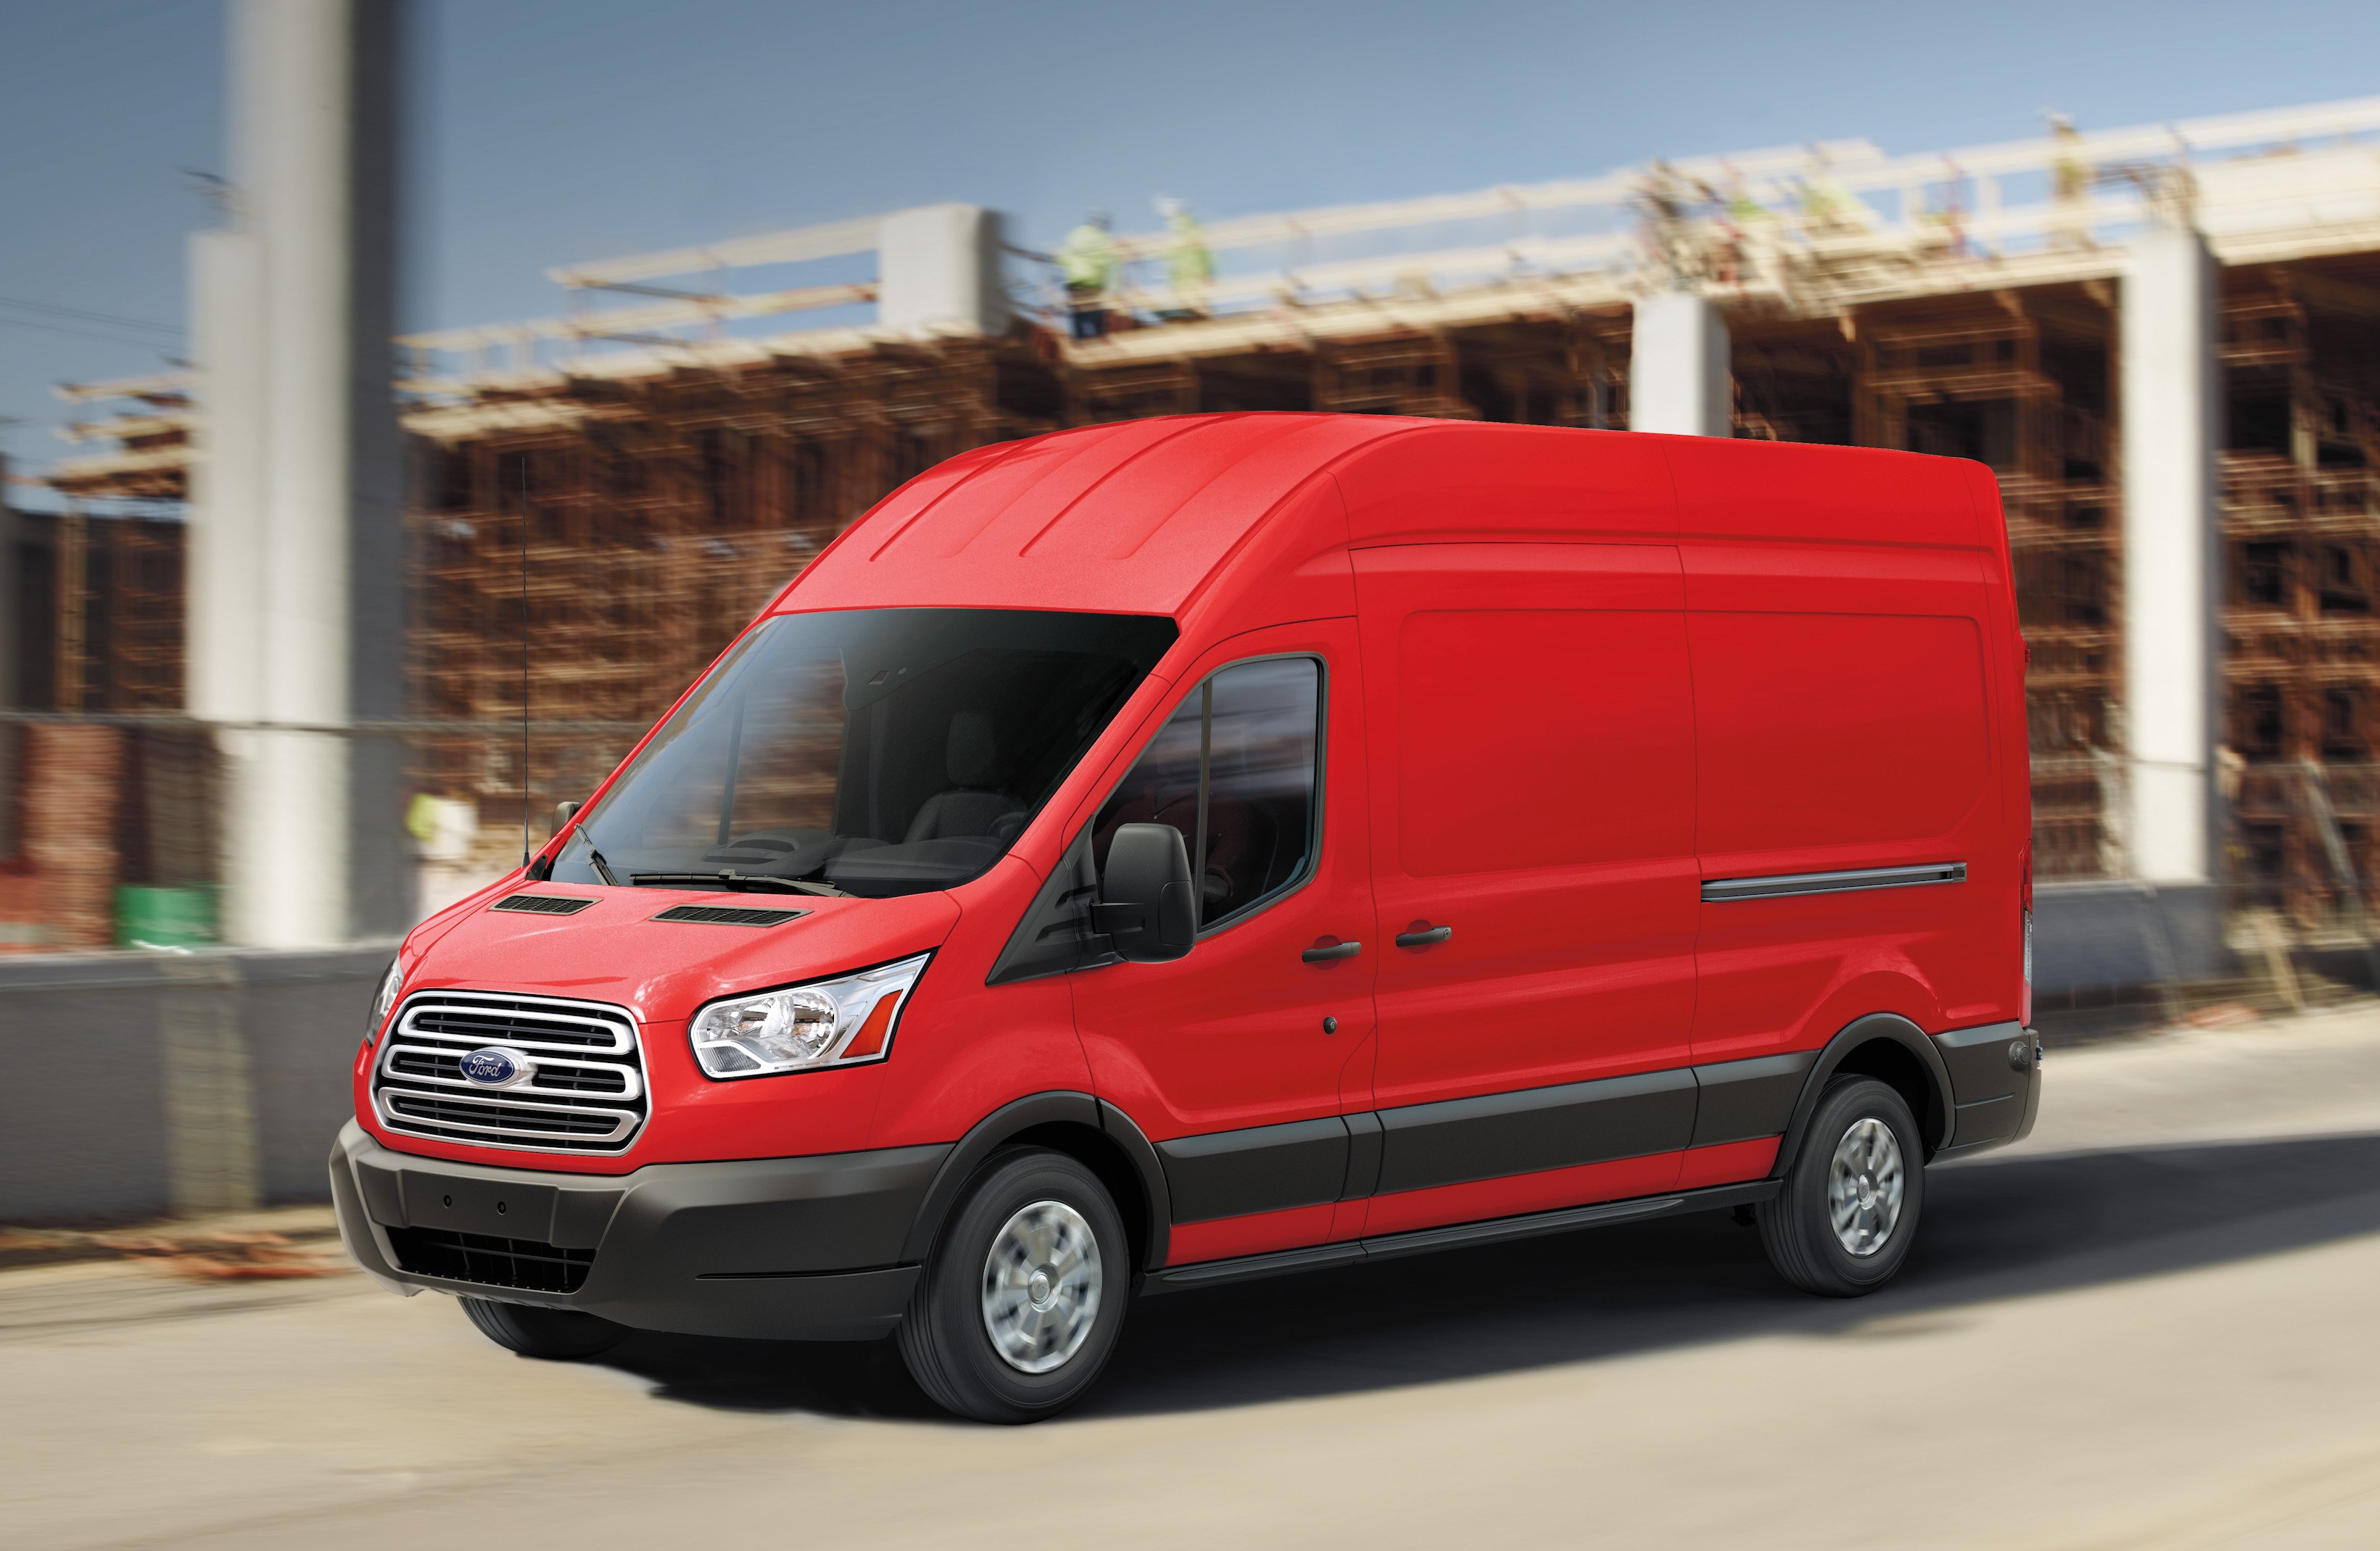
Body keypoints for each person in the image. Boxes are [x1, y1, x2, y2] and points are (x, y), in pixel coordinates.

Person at [1056, 211, 1119, 339]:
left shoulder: (1075, 235)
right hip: (1092, 283)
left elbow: (1062, 257)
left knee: (1078, 315)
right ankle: (1098, 340)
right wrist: (1114, 289)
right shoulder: (1102, 238)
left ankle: (1079, 341)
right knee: (1095, 317)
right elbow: (1110, 261)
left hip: (1074, 282)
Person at [1153, 197, 1215, 322]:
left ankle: (1201, 321)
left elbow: (1206, 251)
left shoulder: (1191, 230)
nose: (1170, 221)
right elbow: (1168, 255)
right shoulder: (1177, 234)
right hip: (1182, 278)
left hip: (1193, 275)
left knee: (1197, 306)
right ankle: (1198, 320)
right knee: (1190, 306)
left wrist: (1209, 273)